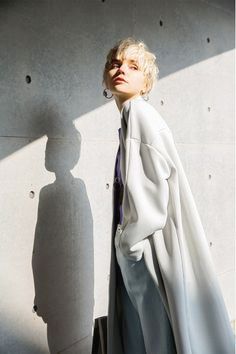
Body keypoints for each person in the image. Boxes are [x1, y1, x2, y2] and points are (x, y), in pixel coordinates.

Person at [102, 37, 235, 354]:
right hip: (146, 246)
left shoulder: (138, 114)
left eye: (133, 66)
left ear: (145, 82)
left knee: (155, 336)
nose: (121, 69)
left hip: (147, 247)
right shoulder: (133, 119)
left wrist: (128, 242)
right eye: (115, 63)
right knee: (156, 334)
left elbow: (151, 190)